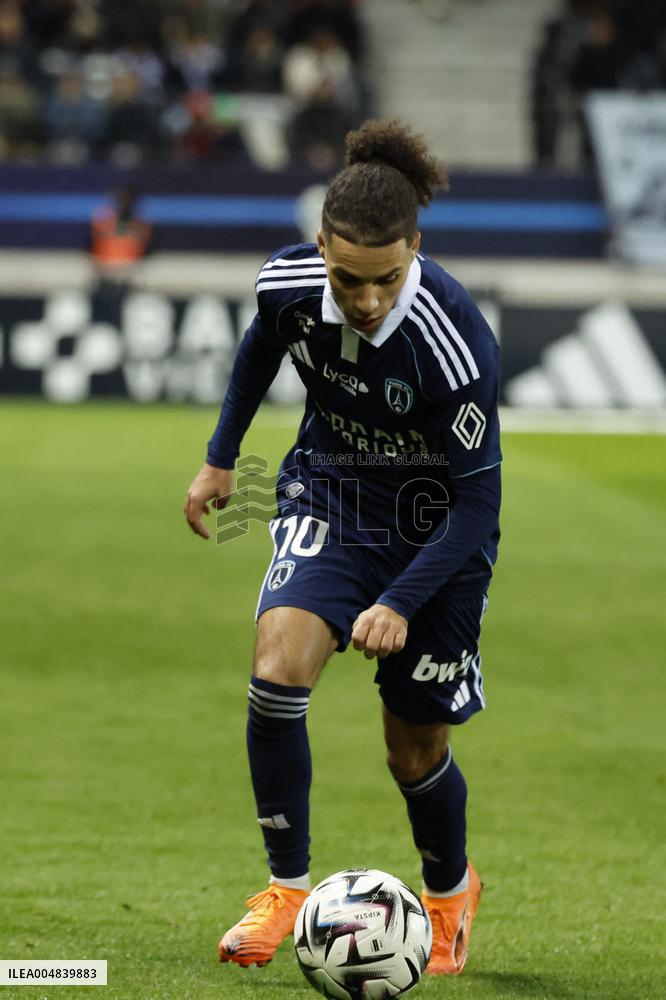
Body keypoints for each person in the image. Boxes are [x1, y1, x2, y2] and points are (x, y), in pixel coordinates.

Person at [184, 118, 501, 977]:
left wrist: (399, 600)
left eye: (387, 279)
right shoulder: (286, 283)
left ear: (415, 250)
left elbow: (479, 502)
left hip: (436, 530)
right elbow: (264, 341)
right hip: (329, 492)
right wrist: (221, 458)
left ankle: (449, 893)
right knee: (277, 669)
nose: (366, 301)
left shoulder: (453, 341)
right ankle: (286, 891)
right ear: (321, 246)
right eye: (348, 279)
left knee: (413, 749)